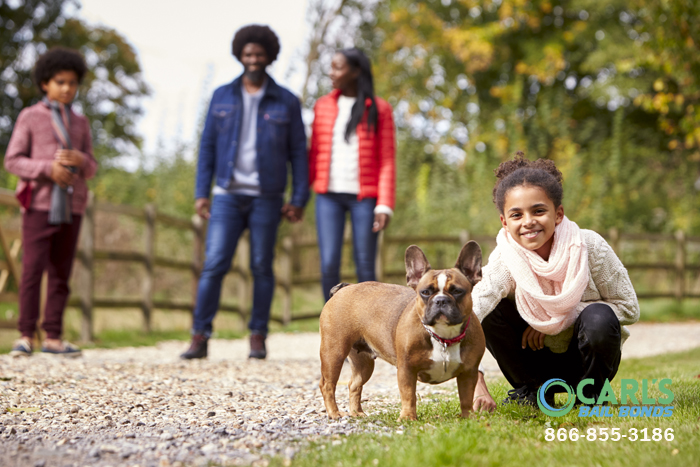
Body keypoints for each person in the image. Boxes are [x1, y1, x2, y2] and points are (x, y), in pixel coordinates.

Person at [470, 152, 639, 412]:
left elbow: (628, 307)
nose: (528, 222)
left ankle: (591, 397)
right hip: (534, 358)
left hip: (584, 361)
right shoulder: (505, 259)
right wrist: (476, 377)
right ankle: (533, 391)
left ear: (558, 213)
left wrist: (556, 321)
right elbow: (472, 311)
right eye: (516, 215)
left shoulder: (589, 245)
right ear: (504, 222)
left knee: (599, 316)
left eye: (538, 211)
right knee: (491, 309)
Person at [180, 25, 308, 360]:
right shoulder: (222, 95)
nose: (253, 59)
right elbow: (206, 147)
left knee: (261, 265)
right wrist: (201, 192)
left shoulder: (287, 100)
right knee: (215, 263)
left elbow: (299, 153)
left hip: (267, 196)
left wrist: (298, 198)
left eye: (259, 54)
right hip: (226, 194)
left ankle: (257, 335)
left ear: (269, 56)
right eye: (248, 53)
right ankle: (199, 336)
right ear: (240, 55)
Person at [5, 47, 98, 357]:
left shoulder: (81, 123)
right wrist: (49, 168)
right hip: (39, 205)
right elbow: (13, 161)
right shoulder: (30, 117)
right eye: (60, 82)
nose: (67, 89)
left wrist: (80, 159)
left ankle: (54, 337)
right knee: (31, 271)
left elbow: (93, 167)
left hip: (72, 206)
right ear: (45, 83)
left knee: (61, 272)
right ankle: (25, 335)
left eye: (72, 83)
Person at [308, 48, 395, 302]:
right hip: (327, 196)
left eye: (337, 67)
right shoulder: (322, 106)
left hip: (365, 198)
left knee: (366, 266)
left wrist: (385, 204)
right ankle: (332, 323)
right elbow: (313, 152)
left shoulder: (380, 109)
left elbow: (387, 158)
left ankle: (370, 329)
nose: (331, 72)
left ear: (355, 71)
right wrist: (300, 197)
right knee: (328, 263)